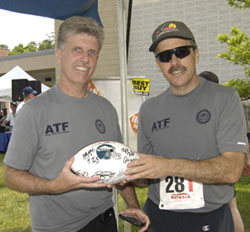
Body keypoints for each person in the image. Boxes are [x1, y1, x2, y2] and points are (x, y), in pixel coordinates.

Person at [3, 16, 149, 232]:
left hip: (103, 220)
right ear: (59, 55)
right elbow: (11, 176)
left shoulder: (105, 108)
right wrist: (55, 186)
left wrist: (132, 204)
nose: (85, 59)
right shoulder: (35, 111)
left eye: (92, 52)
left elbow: (117, 166)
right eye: (77, 50)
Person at [125, 21, 247, 232]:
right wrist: (123, 175)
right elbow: (146, 179)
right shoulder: (149, 109)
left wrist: (168, 166)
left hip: (210, 218)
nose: (174, 61)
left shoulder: (225, 98)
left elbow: (232, 170)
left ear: (196, 54)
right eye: (165, 56)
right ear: (158, 64)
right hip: (158, 216)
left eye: (181, 52)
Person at [199, 70, 245, 232]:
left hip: (212, 165)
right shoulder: (225, 104)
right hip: (224, 163)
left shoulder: (199, 106)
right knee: (231, 205)